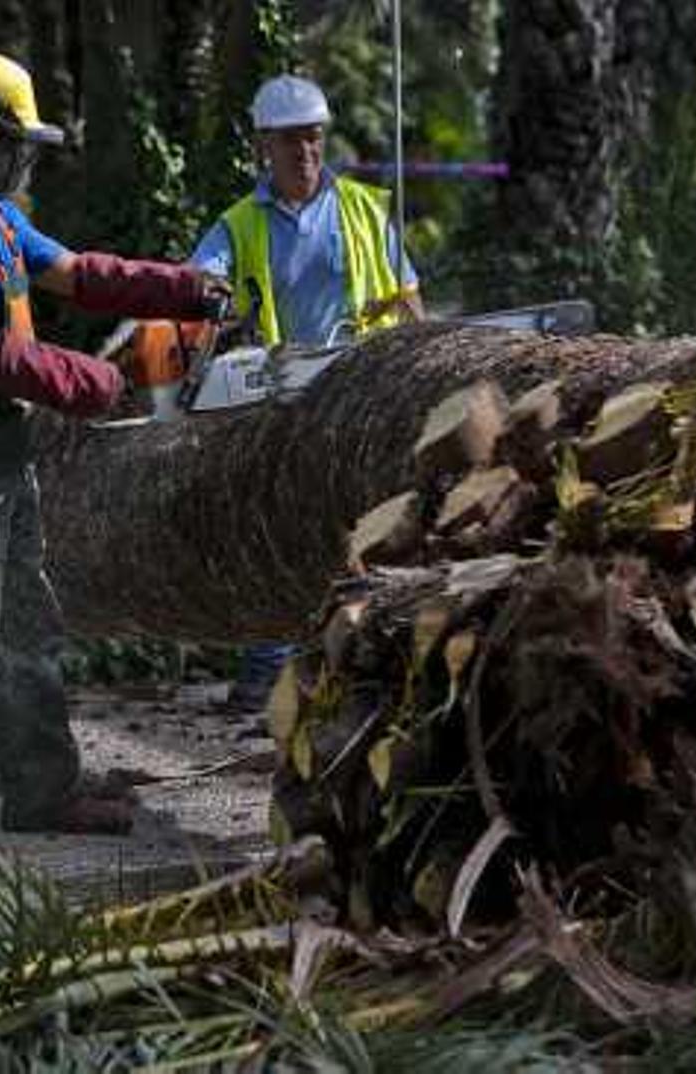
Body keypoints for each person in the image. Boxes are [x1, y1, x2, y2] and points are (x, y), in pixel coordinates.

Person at [0, 51, 228, 834]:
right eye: (18, 146)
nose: (24, 160)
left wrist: (182, 288)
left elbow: (80, 274)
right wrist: (94, 383)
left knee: (28, 621)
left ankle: (41, 789)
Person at [189, 73, 423, 707]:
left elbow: (407, 300)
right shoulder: (239, 225)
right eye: (291, 141)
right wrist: (204, 297)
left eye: (315, 139)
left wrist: (426, 363)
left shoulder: (363, 211)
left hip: (362, 391)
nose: (306, 153)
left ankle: (359, 663)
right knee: (278, 526)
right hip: (280, 399)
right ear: (264, 146)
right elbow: (197, 281)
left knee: (360, 524)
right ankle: (267, 667)